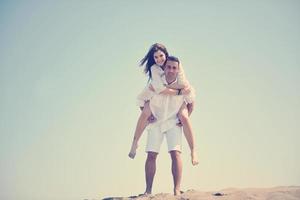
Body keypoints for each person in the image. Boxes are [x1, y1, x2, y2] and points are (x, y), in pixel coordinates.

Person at [128, 43, 199, 165]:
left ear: (166, 55)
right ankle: (135, 142)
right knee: (145, 112)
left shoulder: (175, 64)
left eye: (161, 56)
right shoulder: (154, 68)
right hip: (153, 95)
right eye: (156, 57)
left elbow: (184, 85)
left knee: (184, 117)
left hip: (172, 100)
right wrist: (178, 91)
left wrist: (170, 87)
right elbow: (159, 90)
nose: (159, 59)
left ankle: (193, 151)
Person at [143, 56, 192, 195]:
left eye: (174, 68)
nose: (171, 70)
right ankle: (148, 191)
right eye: (168, 67)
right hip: (156, 122)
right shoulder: (156, 83)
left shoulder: (183, 85)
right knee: (151, 154)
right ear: (164, 68)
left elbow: (191, 100)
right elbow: (142, 100)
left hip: (173, 123)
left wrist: (184, 118)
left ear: (178, 70)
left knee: (175, 154)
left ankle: (176, 190)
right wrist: (148, 115)